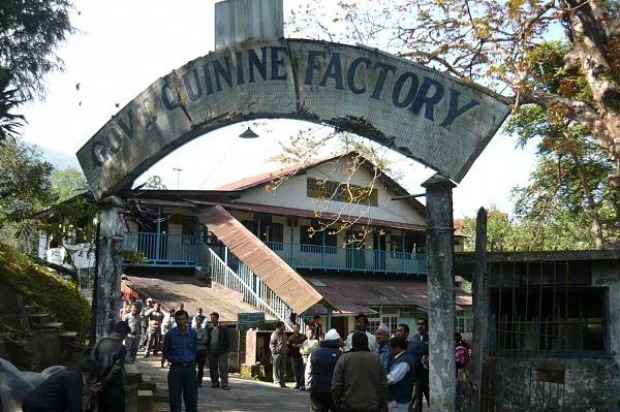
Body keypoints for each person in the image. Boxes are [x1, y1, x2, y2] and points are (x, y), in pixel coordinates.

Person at [332, 332, 387, 412]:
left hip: (348, 406)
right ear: (367, 342)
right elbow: (383, 384)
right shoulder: (376, 359)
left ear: (353, 343)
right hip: (372, 406)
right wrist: (381, 403)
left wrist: (337, 404)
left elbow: (336, 386)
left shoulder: (344, 359)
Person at [21, 360, 100, 412]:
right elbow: (75, 406)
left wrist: (89, 391)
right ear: (87, 375)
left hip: (33, 404)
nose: (93, 381)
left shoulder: (71, 376)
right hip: (40, 407)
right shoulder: (75, 380)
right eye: (93, 379)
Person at [163, 309, 198, 412]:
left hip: (190, 369)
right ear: (175, 320)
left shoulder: (193, 334)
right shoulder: (170, 334)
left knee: (191, 399)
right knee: (174, 399)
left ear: (187, 320)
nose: (181, 321)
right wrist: (173, 359)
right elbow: (166, 350)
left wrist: (190, 359)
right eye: (178, 319)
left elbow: (195, 348)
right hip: (176, 369)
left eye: (183, 319)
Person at [92, 320, 130, 412]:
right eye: (125, 335)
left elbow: (92, 362)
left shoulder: (99, 343)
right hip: (113, 386)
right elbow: (116, 370)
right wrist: (104, 382)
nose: (125, 338)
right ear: (122, 333)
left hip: (98, 385)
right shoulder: (121, 347)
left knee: (102, 408)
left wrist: (96, 381)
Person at [304, 328, 342, 411]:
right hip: (333, 391)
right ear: (336, 340)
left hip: (316, 390)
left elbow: (308, 370)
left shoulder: (314, 352)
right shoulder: (340, 354)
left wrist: (307, 385)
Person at [386, 337, 416, 412]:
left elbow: (392, 379)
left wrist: (378, 378)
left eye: (390, 348)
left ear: (398, 349)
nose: (389, 351)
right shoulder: (400, 359)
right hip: (397, 401)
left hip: (398, 401)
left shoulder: (404, 361)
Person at [408, 318, 430, 412]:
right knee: (417, 401)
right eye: (419, 324)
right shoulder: (413, 339)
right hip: (417, 376)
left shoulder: (431, 339)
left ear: (427, 326)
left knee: (431, 398)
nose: (420, 326)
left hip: (429, 376)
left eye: (423, 324)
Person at [206, 311, 231, 389]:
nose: (212, 319)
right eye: (211, 318)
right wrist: (208, 349)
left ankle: (224, 384)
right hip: (212, 351)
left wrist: (227, 348)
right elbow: (207, 340)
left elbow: (228, 339)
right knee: (213, 367)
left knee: (223, 367)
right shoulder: (209, 329)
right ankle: (215, 382)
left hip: (222, 351)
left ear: (217, 318)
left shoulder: (223, 328)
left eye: (214, 318)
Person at [287, 323, 307, 390]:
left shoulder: (303, 337)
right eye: (294, 328)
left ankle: (302, 384)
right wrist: (292, 346)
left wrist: (301, 345)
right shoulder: (290, 338)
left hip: (301, 356)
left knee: (302, 371)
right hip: (294, 356)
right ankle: (297, 383)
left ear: (299, 328)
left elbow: (306, 344)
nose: (295, 329)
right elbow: (288, 346)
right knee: (295, 371)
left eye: (296, 328)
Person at [269, 320, 288, 388]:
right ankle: (276, 381)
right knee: (276, 368)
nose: (284, 327)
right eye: (283, 325)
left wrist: (286, 349)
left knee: (282, 368)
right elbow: (272, 344)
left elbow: (285, 343)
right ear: (280, 326)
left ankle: (282, 382)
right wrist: (274, 351)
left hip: (283, 353)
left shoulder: (284, 334)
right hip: (277, 354)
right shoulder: (275, 334)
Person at [195, 316, 208, 387]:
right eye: (197, 320)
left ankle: (199, 382)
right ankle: (193, 381)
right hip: (194, 350)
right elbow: (191, 340)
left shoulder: (204, 330)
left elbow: (205, 340)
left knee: (201, 368)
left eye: (200, 320)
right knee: (192, 367)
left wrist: (197, 339)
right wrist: (199, 338)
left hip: (202, 350)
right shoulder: (193, 330)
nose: (199, 321)